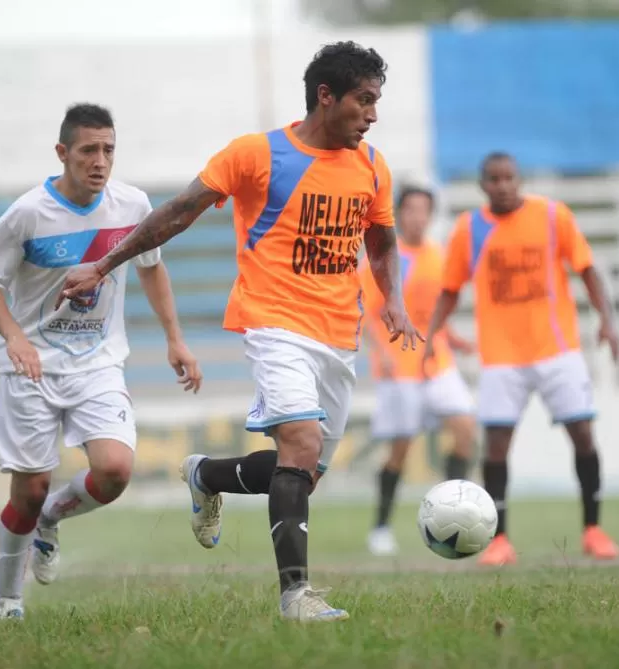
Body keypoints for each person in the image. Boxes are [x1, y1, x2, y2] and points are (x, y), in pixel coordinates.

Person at [57, 41, 420, 622]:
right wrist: (103, 265)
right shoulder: (257, 154)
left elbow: (380, 239)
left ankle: (205, 474)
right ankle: (295, 596)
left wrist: (393, 299)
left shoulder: (373, 166)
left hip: (338, 334)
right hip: (273, 321)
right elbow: (178, 211)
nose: (373, 114)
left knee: (302, 473)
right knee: (299, 446)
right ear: (326, 97)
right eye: (365, 100)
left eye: (377, 101)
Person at [0, 103, 201, 620]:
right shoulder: (28, 214)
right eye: (89, 150)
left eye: (109, 150)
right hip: (32, 368)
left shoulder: (132, 204)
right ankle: (7, 599)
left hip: (97, 363)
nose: (100, 161)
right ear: (63, 153)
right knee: (27, 491)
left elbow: (152, 268)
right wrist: (15, 338)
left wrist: (175, 338)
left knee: (115, 470)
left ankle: (52, 519)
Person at [423, 152, 619, 566]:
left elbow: (587, 268)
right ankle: (500, 541)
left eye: (509, 177)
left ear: (520, 179)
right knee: (496, 446)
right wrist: (431, 334)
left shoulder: (553, 216)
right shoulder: (468, 229)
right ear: (483, 186)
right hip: (502, 357)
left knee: (582, 434)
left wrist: (607, 319)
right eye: (494, 179)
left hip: (557, 349)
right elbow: (450, 288)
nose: (503, 185)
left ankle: (593, 530)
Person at [359, 185, 477, 557]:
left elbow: (434, 313)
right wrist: (382, 353)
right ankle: (380, 528)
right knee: (400, 450)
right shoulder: (384, 258)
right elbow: (364, 312)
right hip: (399, 366)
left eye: (424, 210)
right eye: (410, 209)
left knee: (465, 429)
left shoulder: (439, 257)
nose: (417, 217)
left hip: (436, 359)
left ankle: (450, 512)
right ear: (399, 213)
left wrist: (453, 338)